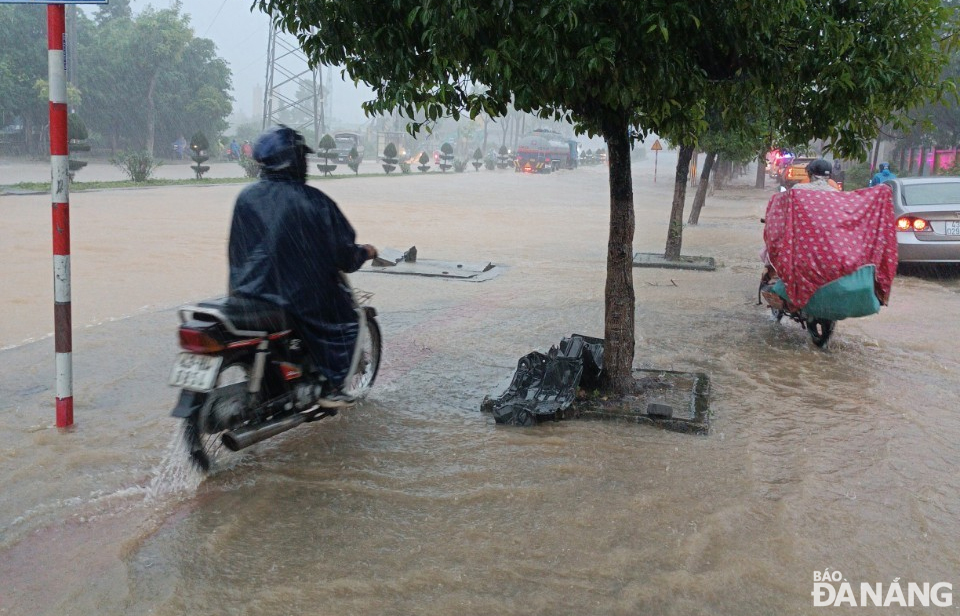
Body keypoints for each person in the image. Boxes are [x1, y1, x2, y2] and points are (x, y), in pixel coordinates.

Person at [228, 125, 377, 404]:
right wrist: (365, 252)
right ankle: (333, 387)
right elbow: (343, 255)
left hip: (246, 293)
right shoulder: (314, 202)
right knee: (345, 322)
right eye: (302, 157)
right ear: (294, 161)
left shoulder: (246, 197)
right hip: (293, 298)